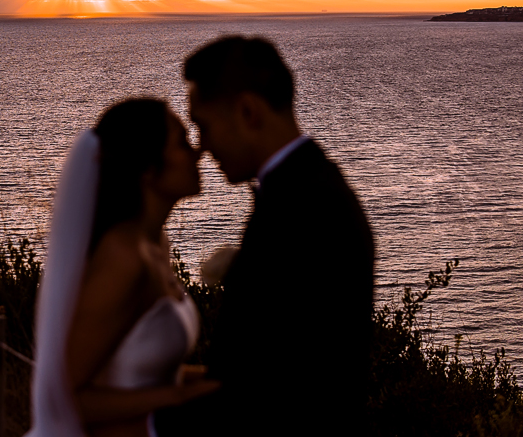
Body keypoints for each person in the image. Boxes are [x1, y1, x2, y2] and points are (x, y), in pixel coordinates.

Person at [154, 35, 375, 436]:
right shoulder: (307, 188)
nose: (202, 148)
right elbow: (275, 362)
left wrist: (138, 420)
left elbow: (268, 395)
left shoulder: (302, 209)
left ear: (247, 111)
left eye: (204, 126)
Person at [26, 98, 220, 437]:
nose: (198, 152)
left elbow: (146, 369)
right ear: (147, 169)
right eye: (182, 143)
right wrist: (178, 397)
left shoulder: (154, 245)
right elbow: (68, 397)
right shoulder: (123, 260)